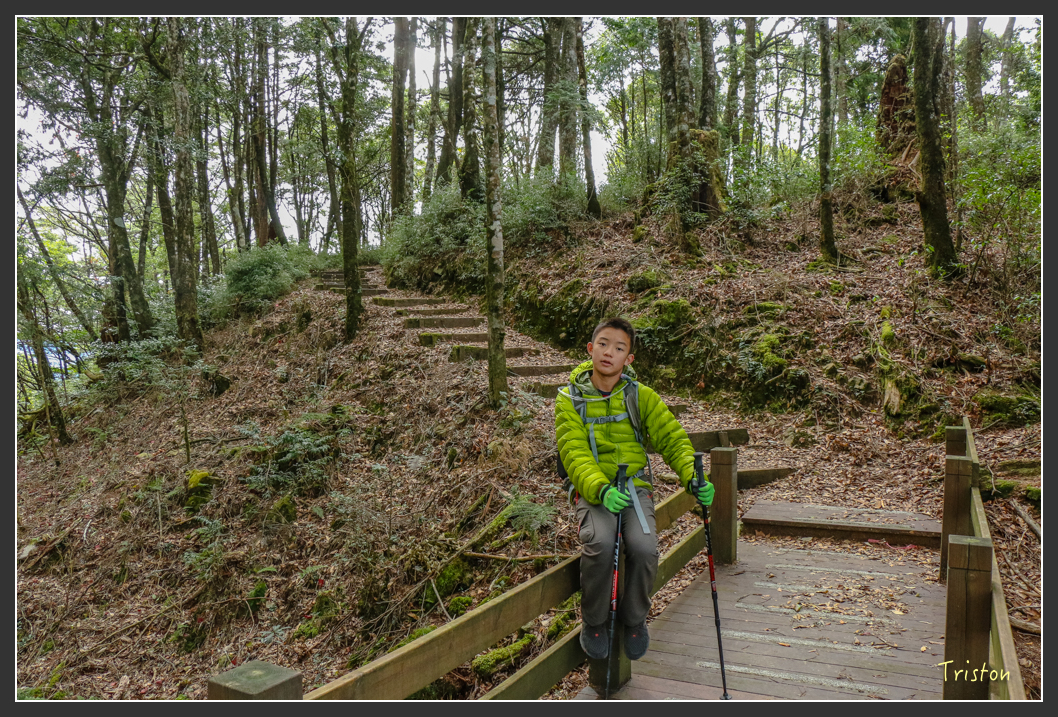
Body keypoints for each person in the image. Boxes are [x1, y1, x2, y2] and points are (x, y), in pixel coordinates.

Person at [555, 317, 715, 661]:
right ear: (590, 348)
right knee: (598, 542)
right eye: (603, 344)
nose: (608, 352)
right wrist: (599, 489)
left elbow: (672, 439)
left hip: (634, 488)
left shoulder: (640, 397)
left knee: (644, 549)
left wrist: (693, 477)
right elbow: (574, 453)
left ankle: (635, 618)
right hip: (594, 489)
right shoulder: (570, 399)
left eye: (619, 348)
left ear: (629, 358)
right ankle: (595, 620)